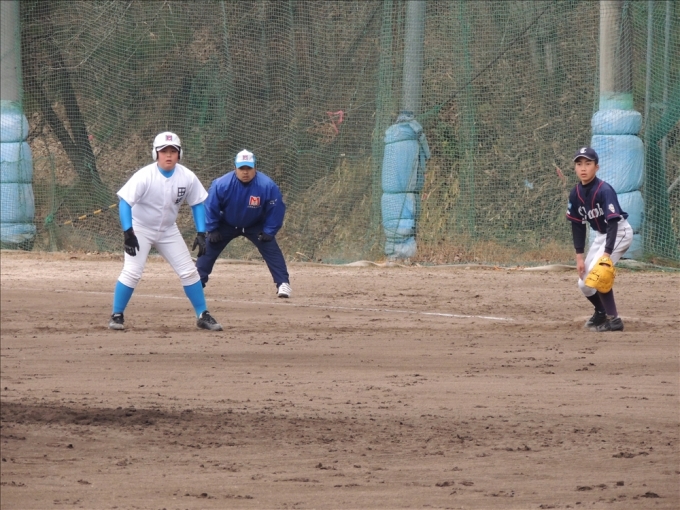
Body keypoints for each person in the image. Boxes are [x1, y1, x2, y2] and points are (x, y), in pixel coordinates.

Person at [108, 132, 223, 331]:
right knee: (132, 272)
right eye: (163, 151)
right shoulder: (145, 176)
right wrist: (128, 232)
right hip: (140, 228)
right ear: (156, 154)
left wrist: (201, 232)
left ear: (179, 154)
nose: (168, 155)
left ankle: (202, 314)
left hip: (168, 230)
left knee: (189, 271)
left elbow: (197, 203)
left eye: (173, 151)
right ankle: (117, 315)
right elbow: (125, 202)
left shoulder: (187, 176)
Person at [196, 149, 291, 297]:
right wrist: (212, 228)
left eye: (249, 168)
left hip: (255, 224)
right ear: (235, 168)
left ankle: (283, 284)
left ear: (255, 168)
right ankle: (197, 282)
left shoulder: (267, 185)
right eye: (241, 168)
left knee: (272, 250)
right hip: (227, 223)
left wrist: (269, 230)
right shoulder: (221, 184)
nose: (245, 172)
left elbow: (276, 208)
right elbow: (210, 206)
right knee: (208, 249)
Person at [566, 147, 633, 332]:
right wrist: (579, 257)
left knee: (600, 273)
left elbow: (613, 223)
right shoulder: (575, 193)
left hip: (619, 233)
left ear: (597, 167)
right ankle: (601, 311)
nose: (583, 168)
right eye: (579, 164)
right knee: (584, 283)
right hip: (601, 236)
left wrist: (606, 254)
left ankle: (614, 320)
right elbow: (577, 225)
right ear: (575, 168)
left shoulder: (604, 190)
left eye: (588, 163)